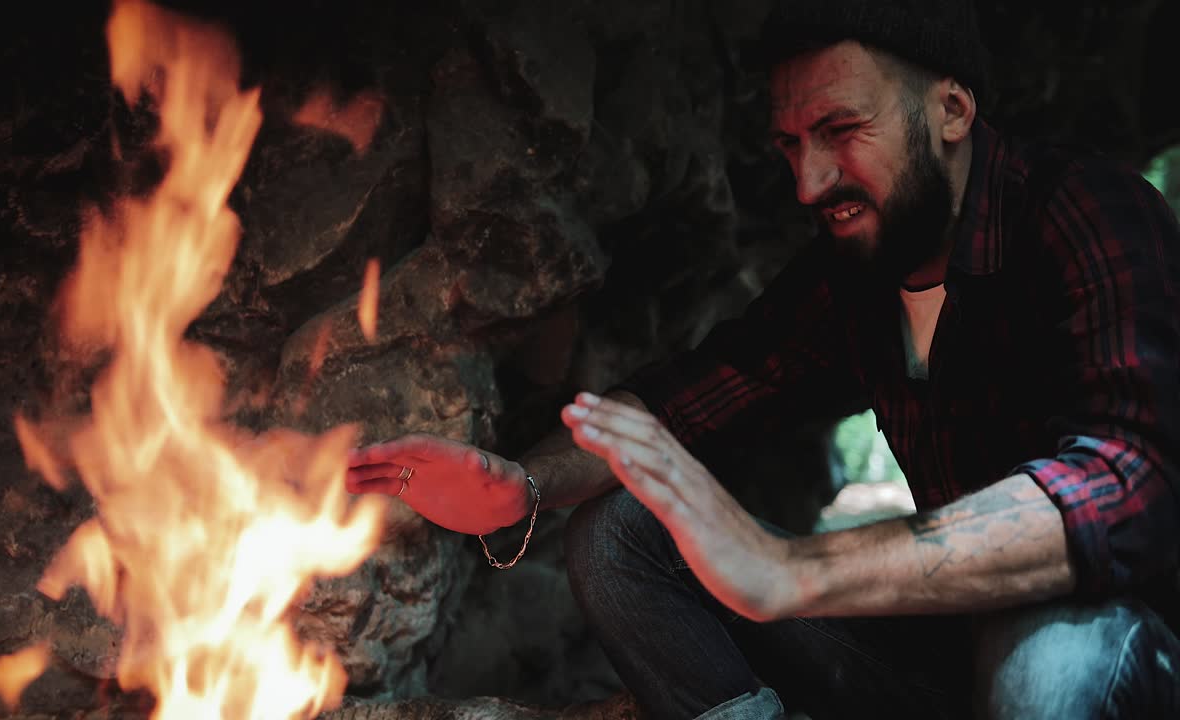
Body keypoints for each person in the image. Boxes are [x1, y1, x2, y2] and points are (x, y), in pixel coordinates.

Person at [345, 1, 1180, 717]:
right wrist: (521, 487)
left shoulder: (1086, 212)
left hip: (1117, 636)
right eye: (790, 144)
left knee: (1045, 664)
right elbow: (679, 406)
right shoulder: (853, 274)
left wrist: (792, 570)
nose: (809, 183)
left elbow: (1126, 481)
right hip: (945, 651)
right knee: (618, 535)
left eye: (840, 131)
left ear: (952, 110)